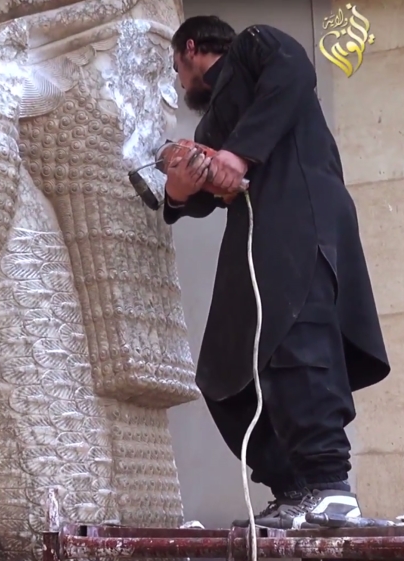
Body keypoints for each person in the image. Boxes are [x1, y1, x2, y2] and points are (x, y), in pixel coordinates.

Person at [163, 16, 391, 530]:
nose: (180, 81)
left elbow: (294, 73)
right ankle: (294, 489)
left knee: (298, 342)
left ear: (191, 49)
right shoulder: (209, 127)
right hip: (251, 239)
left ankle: (330, 486)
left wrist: (238, 155)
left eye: (177, 67)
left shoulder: (255, 46)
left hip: (300, 213)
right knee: (225, 373)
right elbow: (199, 197)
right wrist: (179, 188)